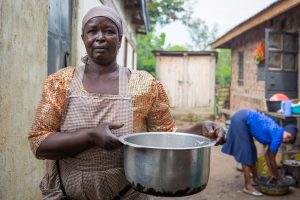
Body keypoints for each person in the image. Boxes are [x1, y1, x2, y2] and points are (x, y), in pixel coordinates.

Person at [28, 6, 225, 200]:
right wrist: (90, 136)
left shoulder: (144, 85)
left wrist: (199, 129)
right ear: (83, 38)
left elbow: (166, 135)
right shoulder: (61, 83)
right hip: (69, 193)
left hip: (128, 193)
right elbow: (39, 142)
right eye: (92, 31)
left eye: (109, 31)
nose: (100, 37)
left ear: (120, 39)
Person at [221, 109, 298, 196]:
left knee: (252, 151)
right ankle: (248, 186)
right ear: (285, 130)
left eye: (289, 140)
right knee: (246, 154)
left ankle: (255, 179)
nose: (286, 139)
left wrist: (273, 174)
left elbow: (268, 156)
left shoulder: (277, 134)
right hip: (241, 119)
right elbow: (272, 160)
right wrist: (278, 177)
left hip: (243, 118)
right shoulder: (277, 135)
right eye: (288, 135)